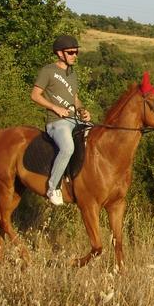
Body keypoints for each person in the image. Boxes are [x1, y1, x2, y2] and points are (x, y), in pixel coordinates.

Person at [31, 34, 91, 205]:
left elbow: (75, 98)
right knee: (67, 148)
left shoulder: (72, 73)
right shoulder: (48, 71)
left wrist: (82, 110)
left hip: (74, 119)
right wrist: (55, 107)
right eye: (71, 52)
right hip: (56, 122)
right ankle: (52, 188)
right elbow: (35, 95)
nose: (74, 56)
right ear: (59, 53)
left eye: (76, 52)